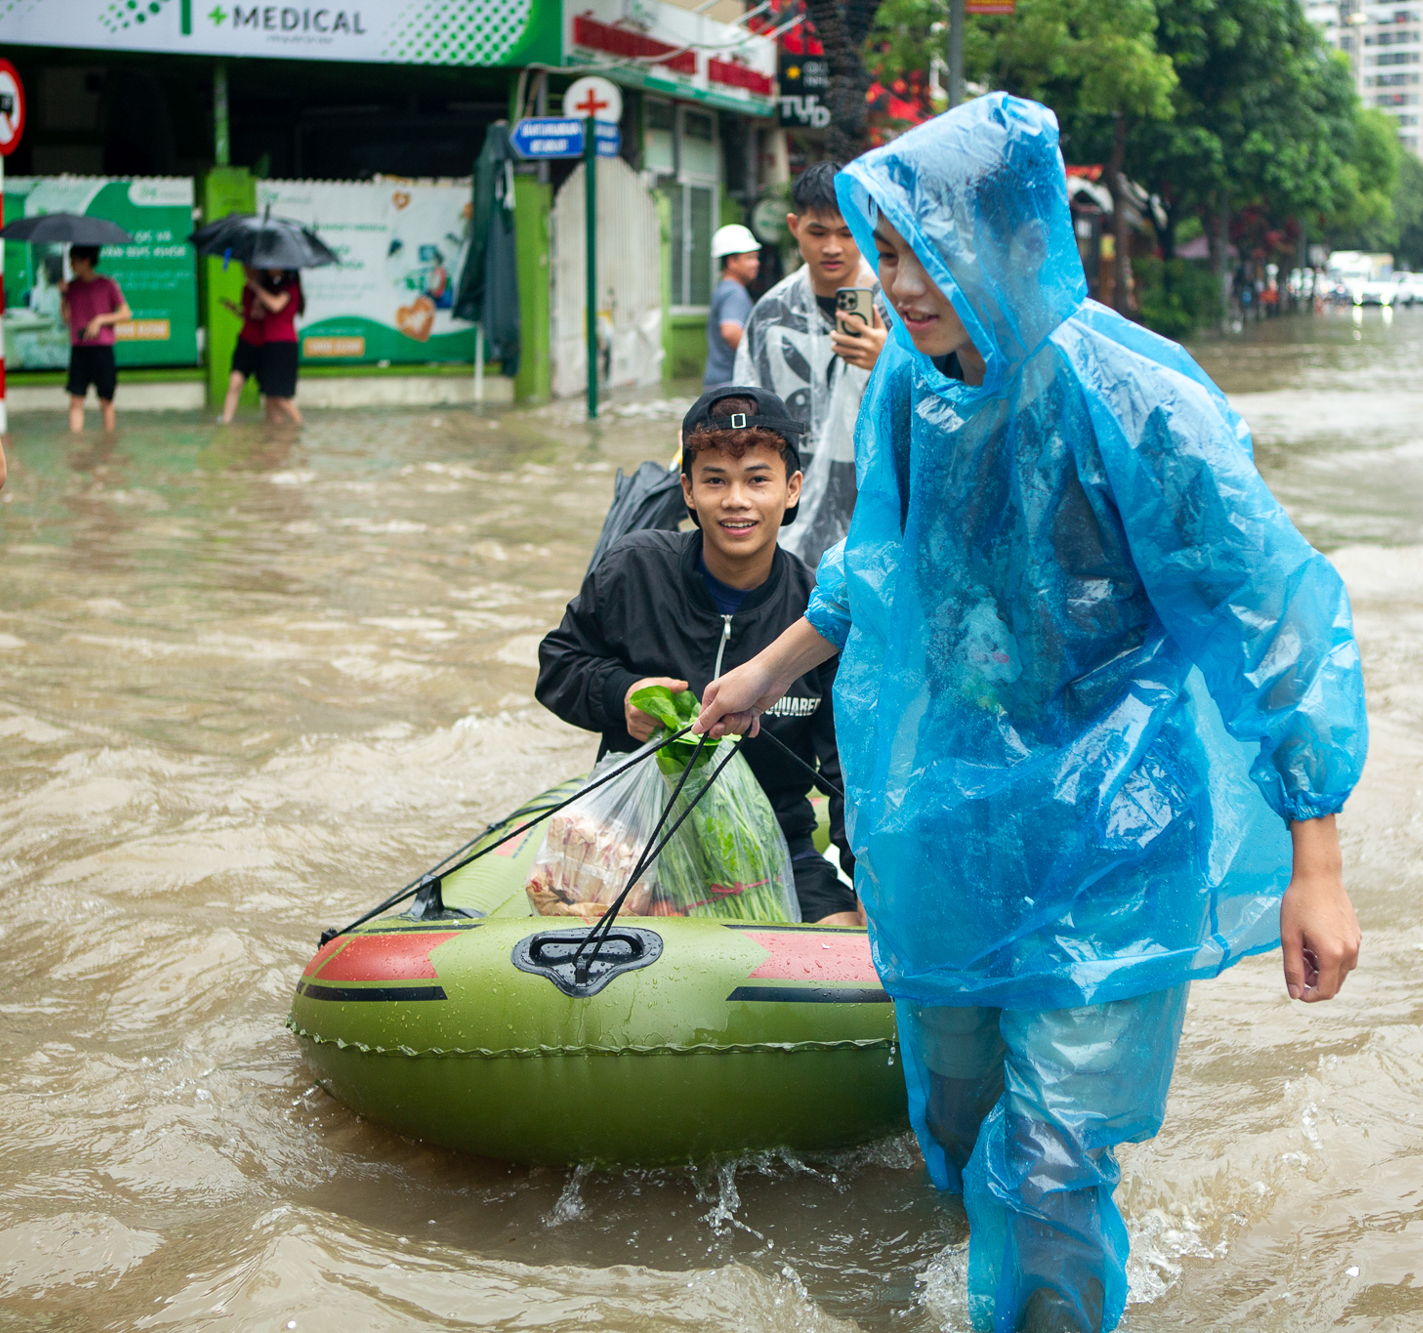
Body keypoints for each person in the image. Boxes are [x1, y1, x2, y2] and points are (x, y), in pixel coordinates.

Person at [693, 94, 1366, 1333]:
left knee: (1053, 1158)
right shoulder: (906, 382)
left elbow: (1267, 611)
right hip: (951, 820)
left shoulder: (1136, 398)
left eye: (923, 249)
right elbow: (873, 566)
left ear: (1011, 236)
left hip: (1110, 832)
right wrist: (763, 673)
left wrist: (1312, 857)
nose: (899, 284)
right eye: (885, 252)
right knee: (953, 1118)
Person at [535, 384, 861, 928]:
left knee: (845, 939)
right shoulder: (634, 569)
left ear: (792, 489)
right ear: (687, 491)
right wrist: (622, 698)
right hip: (635, 842)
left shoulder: (820, 619)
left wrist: (871, 891)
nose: (736, 500)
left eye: (758, 479)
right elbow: (558, 663)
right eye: (715, 480)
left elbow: (848, 774)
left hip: (774, 845)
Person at [732, 163, 889, 564]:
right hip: (789, 518)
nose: (832, 247)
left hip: (877, 511)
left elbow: (936, 405)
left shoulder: (899, 308)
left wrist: (887, 362)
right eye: (818, 232)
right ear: (793, 226)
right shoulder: (771, 314)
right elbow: (746, 413)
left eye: (846, 232)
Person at [60, 245, 132, 433]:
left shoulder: (107, 284)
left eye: (74, 261)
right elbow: (66, 319)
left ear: (86, 261)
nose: (72, 265)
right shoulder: (72, 287)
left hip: (102, 349)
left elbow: (125, 313)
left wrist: (100, 320)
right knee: (76, 399)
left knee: (105, 400)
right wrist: (62, 295)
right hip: (80, 348)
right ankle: (76, 444)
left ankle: (108, 444)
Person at [220, 267, 304, 425]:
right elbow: (257, 314)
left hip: (283, 345)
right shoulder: (271, 287)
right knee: (270, 396)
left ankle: (299, 425)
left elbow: (276, 305)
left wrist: (255, 286)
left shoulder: (289, 286)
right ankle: (276, 437)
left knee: (278, 395)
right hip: (270, 343)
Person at [704, 225, 761, 390]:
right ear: (731, 262)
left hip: (719, 380)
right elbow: (730, 332)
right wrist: (760, 358)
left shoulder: (724, 287)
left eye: (756, 258)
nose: (756, 263)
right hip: (731, 382)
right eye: (750, 258)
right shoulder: (734, 292)